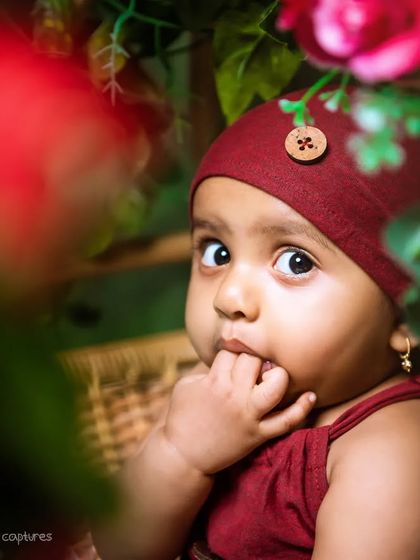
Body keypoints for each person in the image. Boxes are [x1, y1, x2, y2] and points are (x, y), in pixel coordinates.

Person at [94, 88, 420, 560]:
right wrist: (179, 454)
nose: (228, 297)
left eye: (295, 262)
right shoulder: (209, 394)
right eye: (216, 253)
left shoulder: (391, 452)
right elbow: (116, 548)